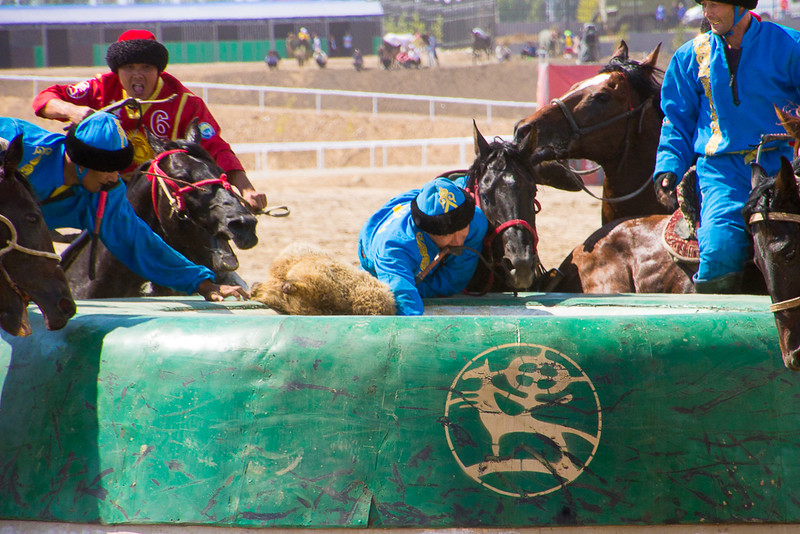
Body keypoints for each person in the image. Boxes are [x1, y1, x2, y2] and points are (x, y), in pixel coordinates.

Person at [0, 112, 248, 302]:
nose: (113, 178)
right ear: (82, 164)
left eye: (116, 170)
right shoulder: (23, 146)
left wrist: (203, 284)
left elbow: (137, 241)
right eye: (107, 170)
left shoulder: (105, 193)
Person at [653, 0, 800, 293]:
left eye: (715, 4)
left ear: (741, 6)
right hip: (722, 171)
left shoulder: (790, 44)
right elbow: (677, 120)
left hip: (782, 165)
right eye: (704, 4)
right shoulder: (688, 57)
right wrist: (668, 165)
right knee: (721, 250)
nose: (708, 12)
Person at [31, 29, 267, 212]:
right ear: (117, 70)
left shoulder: (186, 103)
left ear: (159, 70)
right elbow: (44, 99)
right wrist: (72, 110)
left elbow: (216, 147)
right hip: (100, 187)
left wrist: (246, 189)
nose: (137, 74)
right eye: (129, 67)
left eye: (146, 67)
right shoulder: (101, 88)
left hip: (162, 196)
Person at [358, 177, 488, 316]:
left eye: (462, 231)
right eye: (447, 235)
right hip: (378, 262)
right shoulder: (393, 249)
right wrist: (411, 290)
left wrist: (420, 288)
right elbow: (405, 306)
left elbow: (455, 279)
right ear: (426, 230)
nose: (458, 243)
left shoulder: (475, 222)